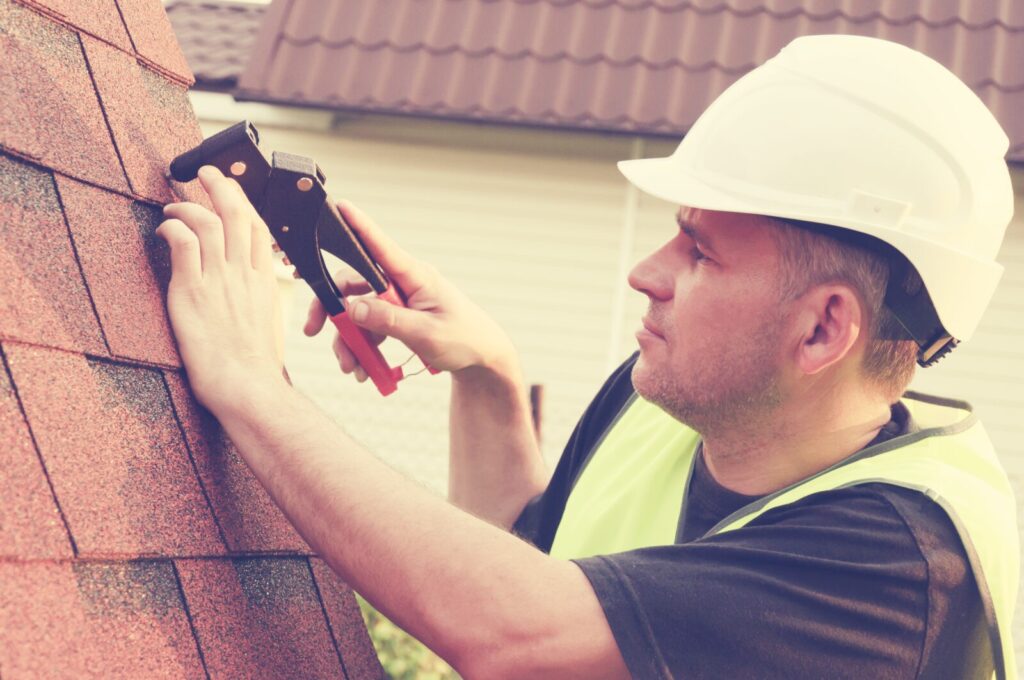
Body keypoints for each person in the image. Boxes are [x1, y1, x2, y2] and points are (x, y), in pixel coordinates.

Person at [157, 35, 1018, 678]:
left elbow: (513, 628)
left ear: (824, 330)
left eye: (701, 253)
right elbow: (530, 559)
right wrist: (487, 378)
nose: (649, 274)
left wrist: (251, 385)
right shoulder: (672, 402)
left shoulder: (895, 567)